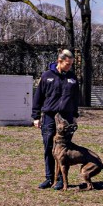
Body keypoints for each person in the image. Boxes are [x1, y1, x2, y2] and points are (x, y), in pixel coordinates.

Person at [32, 49, 80, 189]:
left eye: (71, 64)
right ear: (60, 61)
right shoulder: (46, 76)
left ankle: (60, 179)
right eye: (67, 64)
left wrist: (75, 115)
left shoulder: (72, 78)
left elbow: (76, 98)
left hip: (66, 118)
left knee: (63, 150)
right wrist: (36, 116)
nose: (69, 67)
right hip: (49, 117)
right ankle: (49, 178)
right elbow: (38, 97)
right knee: (48, 147)